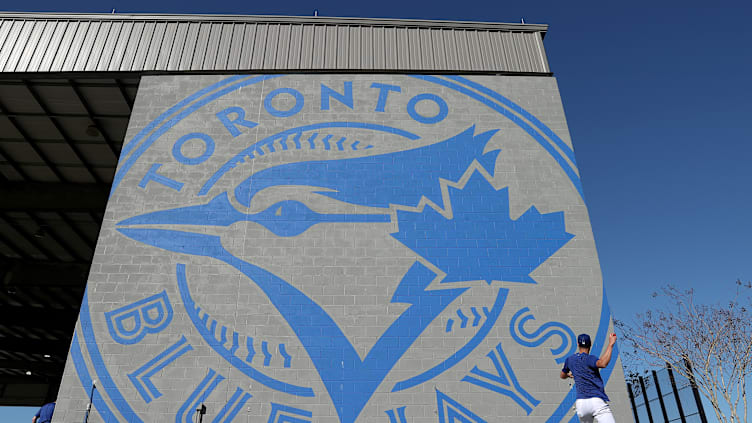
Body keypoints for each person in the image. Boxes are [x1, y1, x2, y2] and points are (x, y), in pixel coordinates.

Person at [560, 333, 617, 423]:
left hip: (581, 404)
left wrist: (568, 375)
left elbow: (562, 375)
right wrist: (611, 344)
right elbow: (602, 363)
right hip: (596, 401)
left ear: (578, 344)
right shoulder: (590, 359)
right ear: (590, 344)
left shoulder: (570, 360)